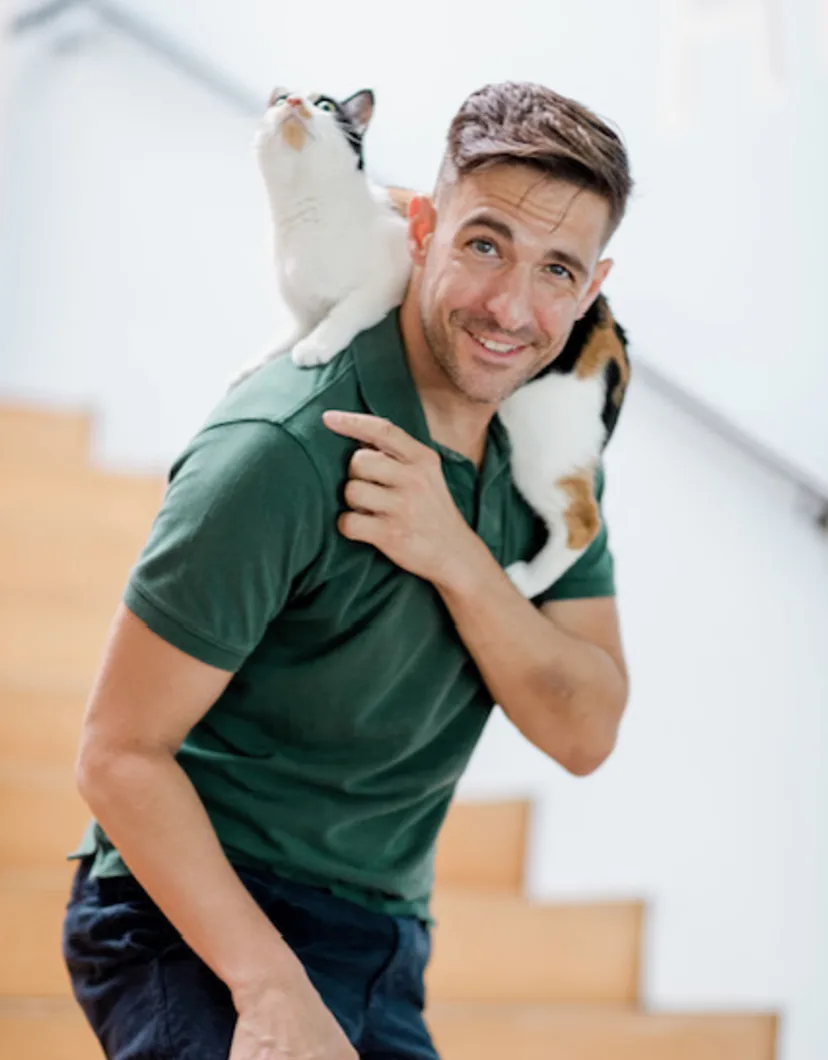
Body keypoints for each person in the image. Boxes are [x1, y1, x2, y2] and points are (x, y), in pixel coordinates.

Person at [62, 80, 633, 1060]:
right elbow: (116, 754)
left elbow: (584, 728)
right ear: (421, 226)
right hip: (187, 912)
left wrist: (455, 552)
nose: (511, 306)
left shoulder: (546, 463)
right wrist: (271, 989)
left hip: (381, 938)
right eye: (484, 243)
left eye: (556, 270)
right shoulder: (284, 446)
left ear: (590, 288)